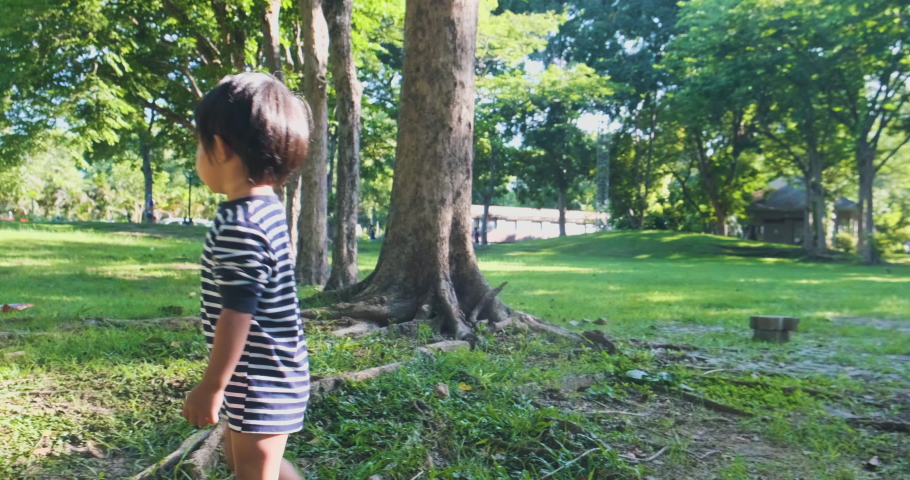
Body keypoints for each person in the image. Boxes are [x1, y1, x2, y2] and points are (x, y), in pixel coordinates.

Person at [183, 73, 310, 480]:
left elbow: (238, 313)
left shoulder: (241, 224)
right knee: (249, 464)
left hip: (261, 379)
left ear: (219, 149)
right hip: (268, 371)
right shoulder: (267, 209)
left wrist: (211, 386)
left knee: (252, 473)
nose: (197, 157)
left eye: (199, 146)